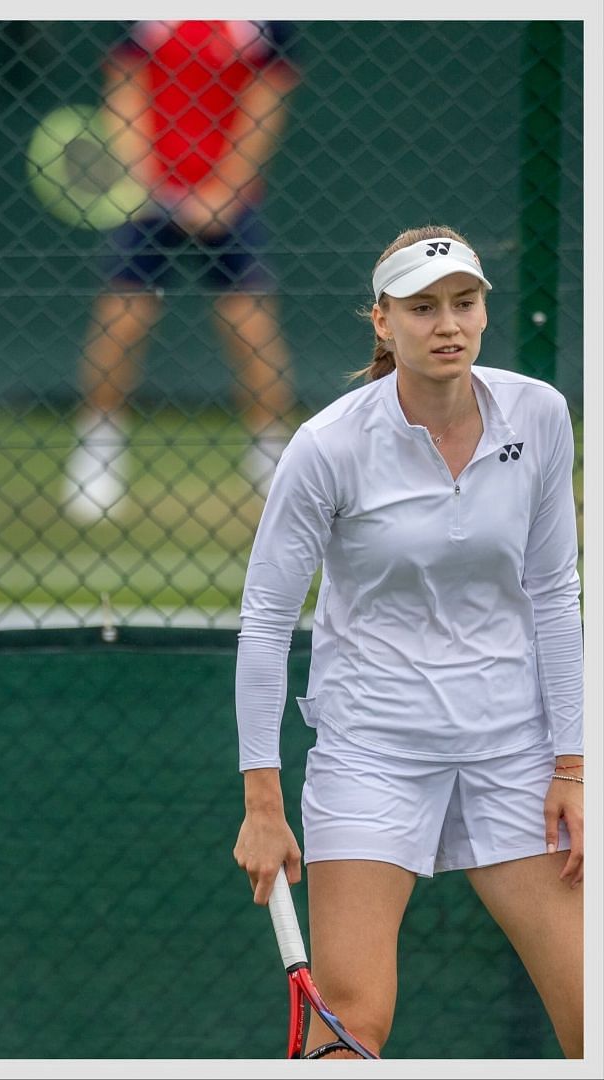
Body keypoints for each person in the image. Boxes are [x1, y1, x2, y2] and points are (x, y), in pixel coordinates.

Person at [232, 226, 582, 1059]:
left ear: (486, 310)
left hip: (514, 752)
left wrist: (574, 765)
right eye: (423, 308)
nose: (447, 324)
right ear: (383, 321)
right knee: (352, 1021)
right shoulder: (327, 447)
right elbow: (266, 622)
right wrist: (263, 804)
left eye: (464, 303)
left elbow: (554, 594)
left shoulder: (539, 414)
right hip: (373, 753)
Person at [61, 20, 299, 522]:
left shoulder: (264, 22)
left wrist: (225, 192)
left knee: (249, 323)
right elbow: (124, 87)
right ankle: (97, 458)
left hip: (230, 198)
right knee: (123, 317)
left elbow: (267, 101)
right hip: (146, 196)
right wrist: (147, 180)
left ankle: (277, 464)